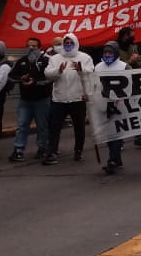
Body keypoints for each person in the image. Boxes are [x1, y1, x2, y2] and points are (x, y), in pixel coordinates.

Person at [42, 33, 94, 165]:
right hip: (59, 99)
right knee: (54, 127)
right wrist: (58, 71)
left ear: (76, 43)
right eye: (66, 43)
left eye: (71, 43)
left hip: (78, 98)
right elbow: (47, 74)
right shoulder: (55, 58)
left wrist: (81, 69)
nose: (68, 45)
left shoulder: (84, 57)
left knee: (79, 127)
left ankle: (78, 151)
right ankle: (51, 152)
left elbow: (91, 73)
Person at [7, 36, 52, 162]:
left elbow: (50, 78)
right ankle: (18, 150)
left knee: (42, 126)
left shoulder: (46, 61)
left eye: (34, 46)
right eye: (28, 46)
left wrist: (35, 82)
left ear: (39, 48)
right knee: (22, 125)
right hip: (25, 100)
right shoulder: (21, 61)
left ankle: (43, 148)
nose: (31, 48)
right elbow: (11, 76)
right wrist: (20, 79)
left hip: (41, 100)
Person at [95, 41, 128, 174]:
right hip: (103, 105)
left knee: (116, 132)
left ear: (116, 53)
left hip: (119, 105)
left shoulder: (124, 66)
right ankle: (117, 159)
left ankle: (112, 160)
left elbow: (131, 84)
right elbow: (94, 85)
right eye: (105, 52)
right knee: (108, 134)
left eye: (110, 52)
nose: (107, 55)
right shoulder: (98, 67)